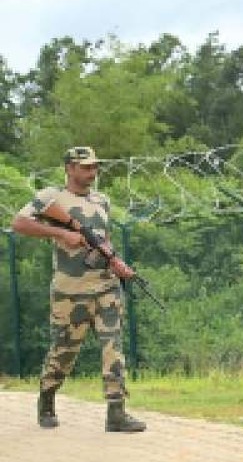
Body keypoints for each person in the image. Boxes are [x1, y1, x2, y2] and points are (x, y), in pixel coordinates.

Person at [12, 147, 146, 432]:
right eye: (85, 167)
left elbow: (104, 240)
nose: (92, 172)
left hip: (105, 287)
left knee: (113, 347)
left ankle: (116, 412)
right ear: (70, 168)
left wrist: (117, 262)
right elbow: (19, 223)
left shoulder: (102, 200)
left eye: (94, 167)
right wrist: (61, 233)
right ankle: (47, 398)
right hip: (70, 292)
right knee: (63, 352)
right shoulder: (51, 197)